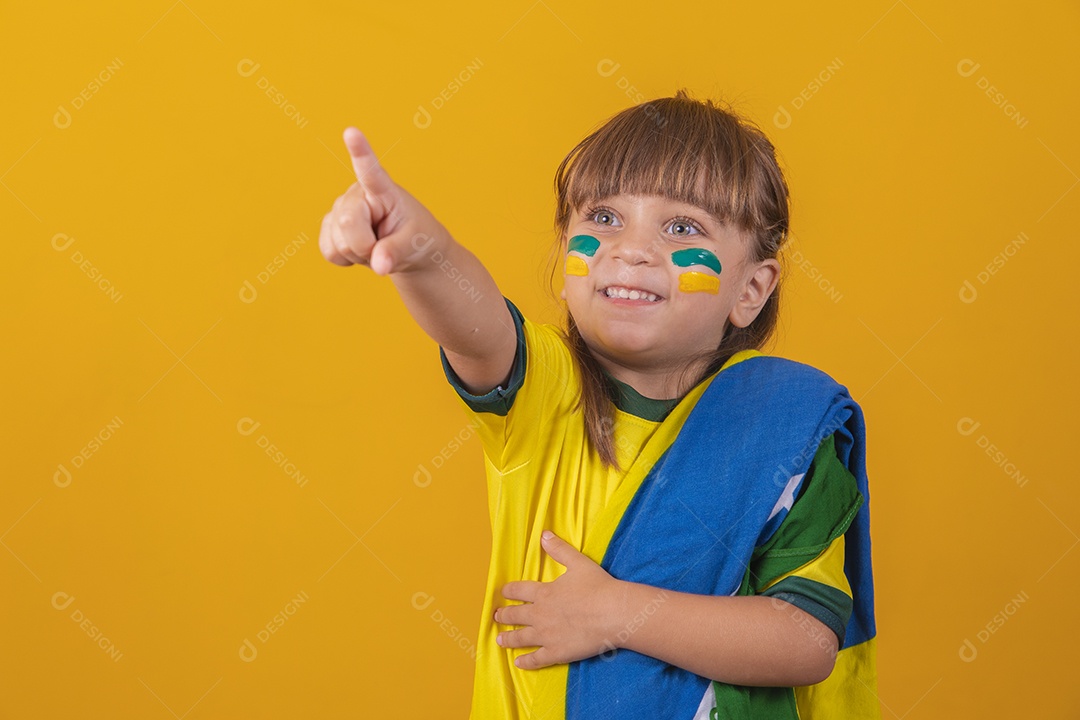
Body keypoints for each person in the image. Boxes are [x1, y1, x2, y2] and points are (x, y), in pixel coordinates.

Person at [318, 89, 880, 719]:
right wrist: (422, 251)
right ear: (565, 260)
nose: (631, 249)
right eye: (604, 219)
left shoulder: (786, 424)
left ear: (751, 289)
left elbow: (806, 641)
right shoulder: (543, 396)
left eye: (682, 227)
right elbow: (472, 320)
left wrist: (619, 614)